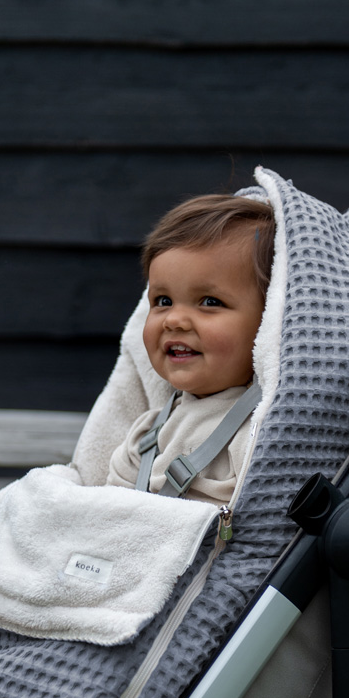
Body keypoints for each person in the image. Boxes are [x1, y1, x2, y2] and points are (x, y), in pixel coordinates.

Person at [107, 193, 274, 507]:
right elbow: (106, 514)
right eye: (163, 301)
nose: (174, 320)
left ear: (269, 323)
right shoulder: (147, 434)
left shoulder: (259, 435)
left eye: (210, 302)